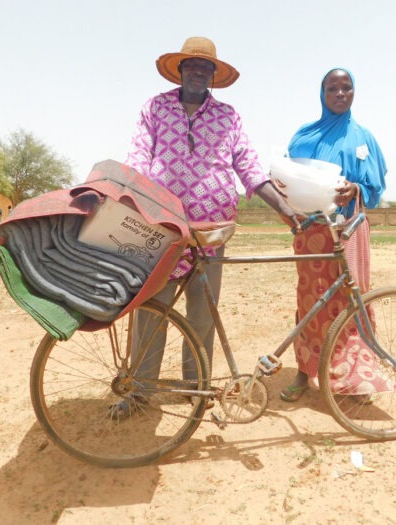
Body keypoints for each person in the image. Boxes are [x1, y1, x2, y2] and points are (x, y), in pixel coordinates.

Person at [116, 36, 301, 419]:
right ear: (180, 70)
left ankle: (194, 388)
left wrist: (285, 209)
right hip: (163, 228)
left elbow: (248, 167)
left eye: (206, 67)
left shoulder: (228, 117)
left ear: (213, 76)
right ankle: (140, 390)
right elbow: (136, 157)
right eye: (192, 65)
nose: (198, 72)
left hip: (211, 233)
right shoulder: (155, 108)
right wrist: (129, 196)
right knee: (152, 308)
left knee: (203, 312)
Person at [280, 67, 396, 402]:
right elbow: (289, 180)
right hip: (312, 230)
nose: (340, 93)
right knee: (311, 299)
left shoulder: (364, 138)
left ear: (354, 92)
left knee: (352, 298)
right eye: (333, 88)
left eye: (346, 88)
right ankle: (305, 372)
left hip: (350, 229)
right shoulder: (304, 136)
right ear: (322, 93)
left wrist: (355, 187)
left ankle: (355, 377)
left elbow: (375, 189)